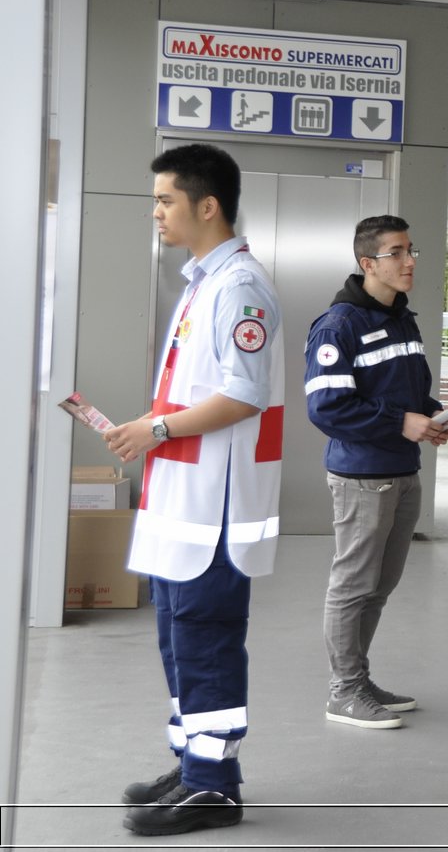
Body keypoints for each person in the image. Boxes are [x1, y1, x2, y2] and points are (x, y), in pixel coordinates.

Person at [105, 144, 284, 836]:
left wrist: (158, 428)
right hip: (182, 500)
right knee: (178, 636)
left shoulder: (239, 286)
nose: (155, 211)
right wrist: (154, 428)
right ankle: (192, 762)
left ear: (207, 205)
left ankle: (214, 785)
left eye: (165, 200)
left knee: (205, 638)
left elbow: (242, 394)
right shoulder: (201, 281)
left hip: (215, 504)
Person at [304, 215, 448, 730]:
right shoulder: (339, 325)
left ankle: (359, 680)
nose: (410, 261)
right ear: (368, 264)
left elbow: (403, 396)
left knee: (379, 586)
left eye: (411, 250)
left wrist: (429, 416)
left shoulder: (402, 318)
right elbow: (326, 408)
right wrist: (401, 421)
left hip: (401, 470)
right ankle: (342, 691)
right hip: (363, 477)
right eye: (397, 253)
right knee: (352, 585)